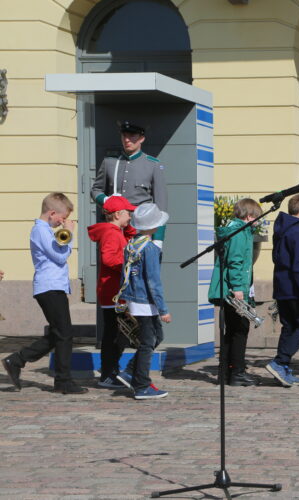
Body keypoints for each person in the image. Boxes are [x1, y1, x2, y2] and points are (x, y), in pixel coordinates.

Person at [3, 193, 87, 394]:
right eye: (61, 217)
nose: (63, 222)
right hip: (49, 287)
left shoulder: (47, 230)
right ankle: (63, 381)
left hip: (53, 286)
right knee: (65, 334)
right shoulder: (40, 231)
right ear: (51, 213)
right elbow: (59, 256)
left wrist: (64, 237)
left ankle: (16, 360)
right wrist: (69, 233)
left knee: (60, 333)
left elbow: (60, 253)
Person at [118, 203, 171, 399]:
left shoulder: (131, 244)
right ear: (155, 225)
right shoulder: (149, 249)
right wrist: (163, 309)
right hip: (146, 302)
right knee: (148, 342)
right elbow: (154, 281)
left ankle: (131, 371)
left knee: (156, 337)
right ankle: (141, 385)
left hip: (135, 298)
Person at [208, 198, 262, 387]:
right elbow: (236, 262)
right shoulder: (240, 234)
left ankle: (227, 372)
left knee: (232, 331)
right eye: (256, 218)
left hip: (228, 289)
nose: (258, 221)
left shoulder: (236, 230)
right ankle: (237, 372)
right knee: (239, 330)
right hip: (234, 290)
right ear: (249, 216)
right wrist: (239, 289)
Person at [265, 194, 299, 387]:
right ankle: (280, 361)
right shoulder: (298, 233)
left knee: (289, 326)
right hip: (295, 289)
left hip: (281, 286)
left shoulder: (281, 229)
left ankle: (284, 366)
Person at [87, 195, 137, 389]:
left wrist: (128, 227)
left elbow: (130, 237)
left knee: (119, 335)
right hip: (112, 291)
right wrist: (128, 266)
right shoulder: (110, 232)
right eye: (128, 213)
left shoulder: (116, 230)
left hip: (116, 290)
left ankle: (111, 371)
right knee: (115, 336)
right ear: (117, 214)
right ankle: (108, 374)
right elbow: (109, 259)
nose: (131, 215)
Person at [91, 121, 168, 247]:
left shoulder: (153, 165)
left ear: (141, 138)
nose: (127, 140)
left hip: (140, 230)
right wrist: (106, 200)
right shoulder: (110, 162)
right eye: (124, 136)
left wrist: (158, 239)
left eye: (132, 136)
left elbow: (161, 207)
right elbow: (96, 189)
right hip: (114, 228)